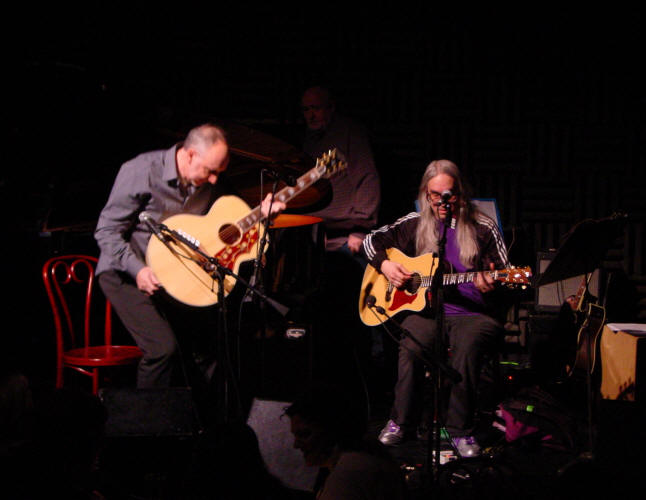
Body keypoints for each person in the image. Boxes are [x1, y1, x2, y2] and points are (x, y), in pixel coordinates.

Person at [94, 123, 286, 391]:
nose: (214, 180)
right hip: (124, 272)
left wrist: (262, 214)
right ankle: (149, 426)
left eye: (219, 173)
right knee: (163, 349)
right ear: (190, 154)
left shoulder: (207, 180)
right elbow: (106, 232)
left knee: (212, 343)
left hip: (175, 274)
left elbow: (223, 221)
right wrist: (137, 269)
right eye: (210, 171)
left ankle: (202, 422)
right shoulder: (141, 171)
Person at [361, 159, 510, 457]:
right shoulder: (415, 223)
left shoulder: (483, 227)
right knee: (411, 347)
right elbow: (370, 240)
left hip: (474, 313)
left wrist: (494, 283)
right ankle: (401, 421)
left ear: (460, 193)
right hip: (429, 312)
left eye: (449, 195)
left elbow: (506, 273)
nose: (442, 202)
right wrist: (387, 265)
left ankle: (459, 431)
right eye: (435, 195)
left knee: (466, 348)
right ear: (426, 195)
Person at [285, 383, 408, 500]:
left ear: (332, 429)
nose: (296, 445)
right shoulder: (370, 450)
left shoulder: (347, 475)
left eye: (304, 435)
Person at [300, 85, 380, 256]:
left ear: (331, 107)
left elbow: (367, 180)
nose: (311, 115)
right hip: (315, 233)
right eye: (306, 109)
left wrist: (359, 230)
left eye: (316, 108)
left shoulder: (350, 132)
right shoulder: (307, 139)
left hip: (345, 236)